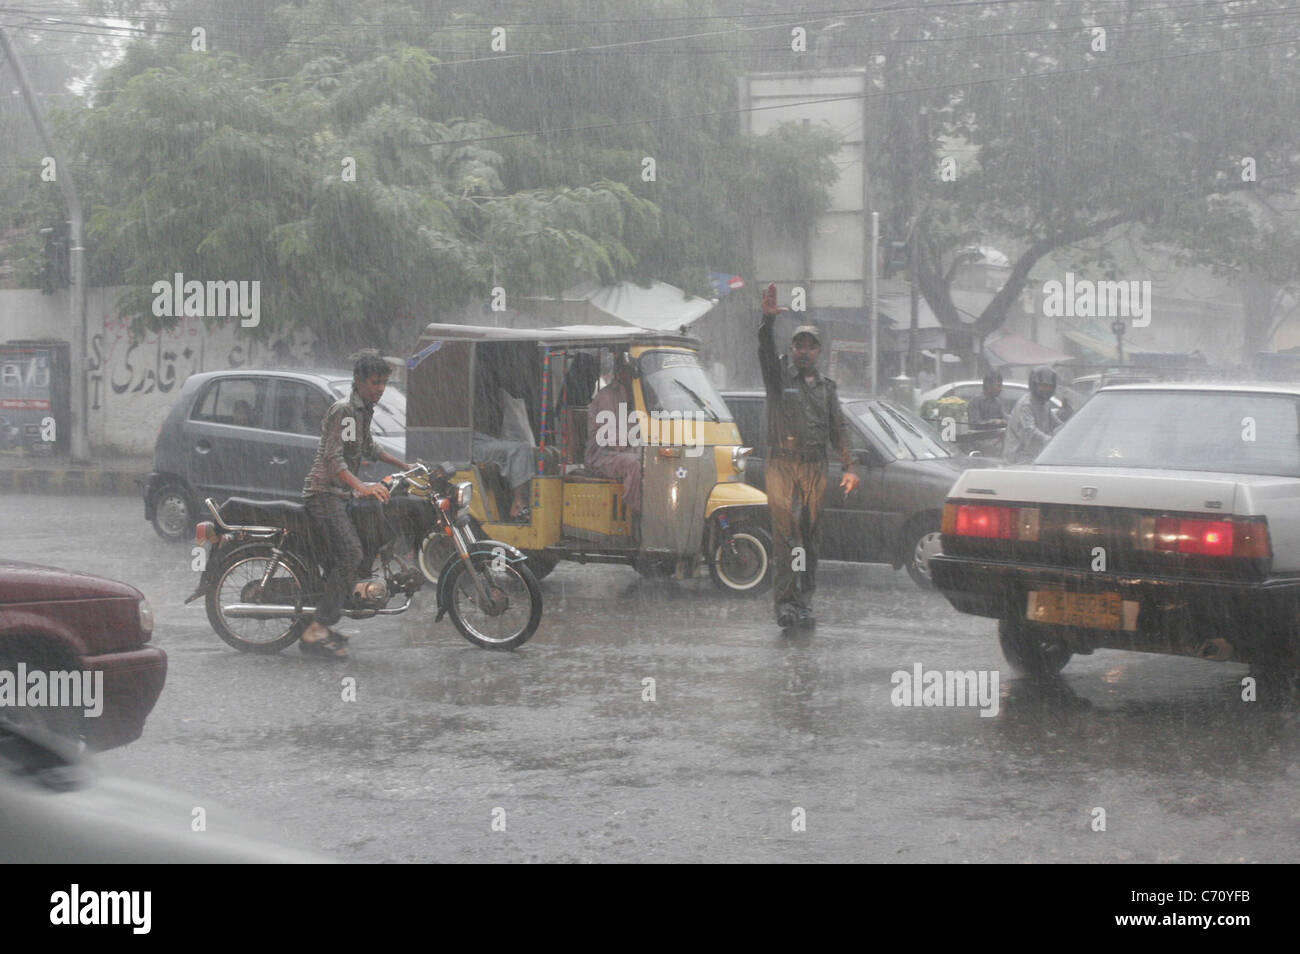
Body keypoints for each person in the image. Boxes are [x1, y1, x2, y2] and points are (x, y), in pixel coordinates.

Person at [759, 282, 860, 629]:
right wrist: (767, 322)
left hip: (816, 465)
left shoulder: (827, 388)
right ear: (791, 348)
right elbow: (763, 351)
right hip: (782, 465)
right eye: (798, 345)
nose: (804, 351)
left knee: (810, 538)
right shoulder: (777, 378)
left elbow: (839, 429)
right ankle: (784, 604)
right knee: (785, 537)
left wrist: (849, 465)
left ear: (818, 352)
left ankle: (804, 600)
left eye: (810, 346)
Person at [299, 352, 410, 660]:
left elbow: (367, 448)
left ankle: (336, 603)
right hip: (323, 494)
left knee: (366, 540)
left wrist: (406, 464)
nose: (380, 389)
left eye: (384, 383)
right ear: (358, 381)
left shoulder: (362, 411)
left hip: (340, 495)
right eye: (375, 382)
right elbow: (334, 460)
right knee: (351, 554)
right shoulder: (344, 411)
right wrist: (363, 488)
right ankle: (316, 628)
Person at [585, 350, 642, 529]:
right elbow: (613, 439)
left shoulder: (636, 396)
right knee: (636, 463)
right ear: (621, 373)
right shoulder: (608, 396)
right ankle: (636, 513)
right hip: (601, 456)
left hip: (625, 451)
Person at [1003, 365, 1065, 464]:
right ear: (1034, 385)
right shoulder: (1026, 405)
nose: (1047, 389)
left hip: (1037, 455)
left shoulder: (1045, 404)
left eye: (1049, 386)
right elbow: (1030, 431)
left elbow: (1056, 423)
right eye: (1043, 386)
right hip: (1019, 458)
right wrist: (1051, 440)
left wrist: (1069, 430)